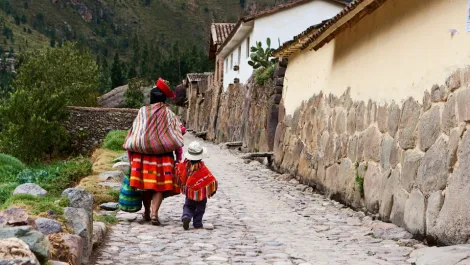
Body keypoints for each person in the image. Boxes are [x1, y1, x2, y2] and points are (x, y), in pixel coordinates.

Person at [127, 78, 182, 226]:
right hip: (163, 157)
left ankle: (146, 212)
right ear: (164, 99)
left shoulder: (142, 112)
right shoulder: (169, 114)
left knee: (146, 185)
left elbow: (135, 132)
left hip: (142, 156)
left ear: (151, 98)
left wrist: (131, 156)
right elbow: (175, 135)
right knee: (159, 187)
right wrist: (178, 157)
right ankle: (154, 214)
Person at [176, 141, 218, 230]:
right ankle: (197, 223)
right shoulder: (202, 168)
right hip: (201, 195)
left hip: (189, 193)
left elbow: (180, 172)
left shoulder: (186, 166)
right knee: (200, 208)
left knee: (188, 206)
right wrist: (212, 190)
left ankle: (186, 216)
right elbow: (210, 180)